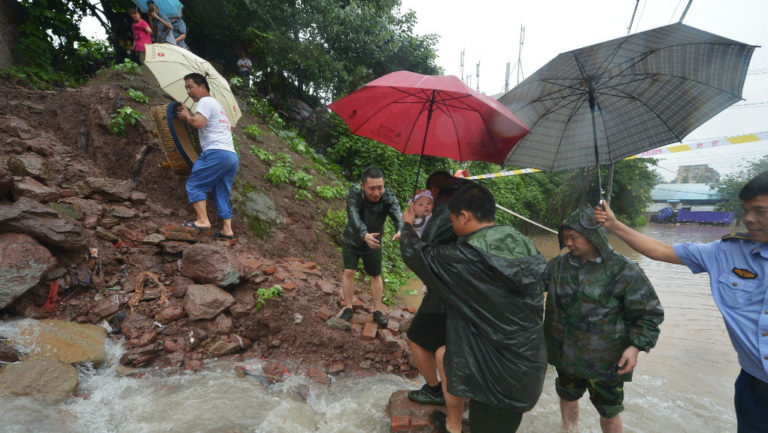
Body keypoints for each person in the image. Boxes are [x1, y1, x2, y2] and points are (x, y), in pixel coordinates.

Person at [595, 171, 768, 433]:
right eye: (745, 210)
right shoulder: (727, 251)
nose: (748, 219)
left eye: (760, 211)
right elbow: (661, 250)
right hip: (754, 387)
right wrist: (614, 225)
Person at [401, 183, 547, 433]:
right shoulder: (521, 242)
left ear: (465, 216)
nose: (453, 227)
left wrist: (407, 224)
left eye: (453, 219)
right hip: (526, 363)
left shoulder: (466, 258)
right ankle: (452, 425)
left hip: (496, 378)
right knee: (446, 355)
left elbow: (417, 255)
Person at [542, 205, 664, 433]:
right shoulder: (557, 267)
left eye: (573, 237)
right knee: (567, 397)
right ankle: (569, 430)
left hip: (607, 362)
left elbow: (649, 313)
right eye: (565, 238)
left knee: (609, 411)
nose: (568, 243)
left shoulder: (624, 270)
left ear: (593, 235)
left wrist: (636, 347)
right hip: (565, 356)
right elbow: (530, 286)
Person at [405, 171, 461, 407]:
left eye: (430, 196)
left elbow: (421, 251)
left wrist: (408, 225)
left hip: (443, 287)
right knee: (447, 344)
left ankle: (433, 389)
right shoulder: (465, 204)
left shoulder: (444, 212)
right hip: (464, 287)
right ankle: (458, 393)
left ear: (435, 191)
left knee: (416, 337)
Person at [175, 73, 238, 240]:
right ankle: (227, 230)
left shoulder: (205, 101)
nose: (188, 91)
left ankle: (203, 220)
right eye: (186, 88)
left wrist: (186, 116)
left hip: (215, 152)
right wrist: (189, 113)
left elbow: (198, 123)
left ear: (202, 86)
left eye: (190, 87)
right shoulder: (217, 105)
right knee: (221, 191)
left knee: (195, 184)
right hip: (231, 156)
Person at [339, 167, 402, 327]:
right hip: (353, 239)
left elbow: (396, 212)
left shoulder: (387, 196)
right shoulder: (354, 193)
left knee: (375, 275)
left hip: (374, 242)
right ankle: (348, 307)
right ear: (362, 186)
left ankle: (377, 310)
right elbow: (352, 215)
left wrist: (400, 228)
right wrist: (364, 234)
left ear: (384, 184)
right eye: (372, 188)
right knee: (349, 271)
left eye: (380, 187)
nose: (376, 192)